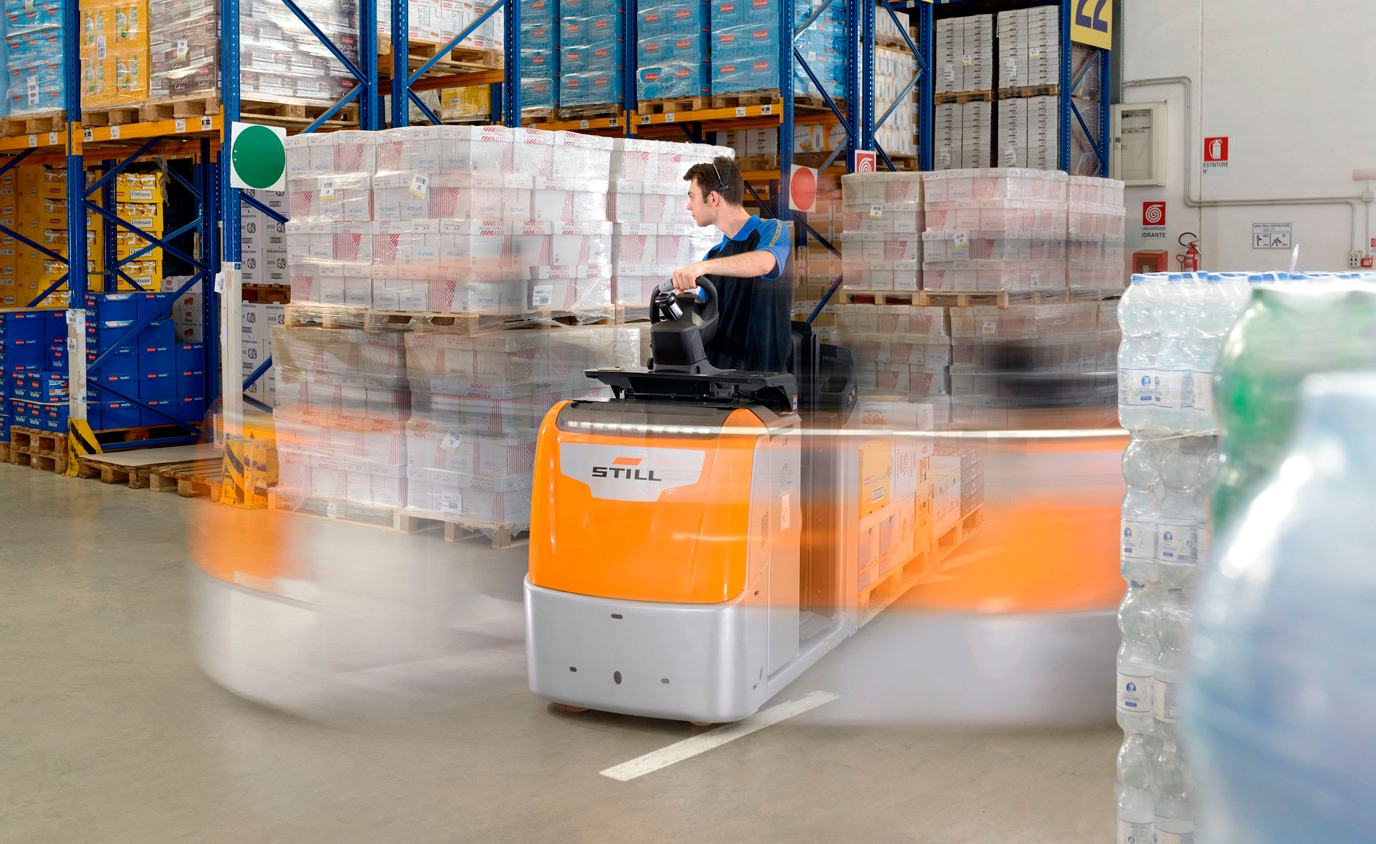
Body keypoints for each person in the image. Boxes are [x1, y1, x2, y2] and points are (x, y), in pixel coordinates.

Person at [672, 156, 793, 373]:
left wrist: (703, 268)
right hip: (718, 377)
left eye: (692, 197)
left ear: (713, 198)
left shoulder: (772, 230)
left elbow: (764, 263)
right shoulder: (713, 255)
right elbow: (704, 319)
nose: (688, 206)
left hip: (762, 377)